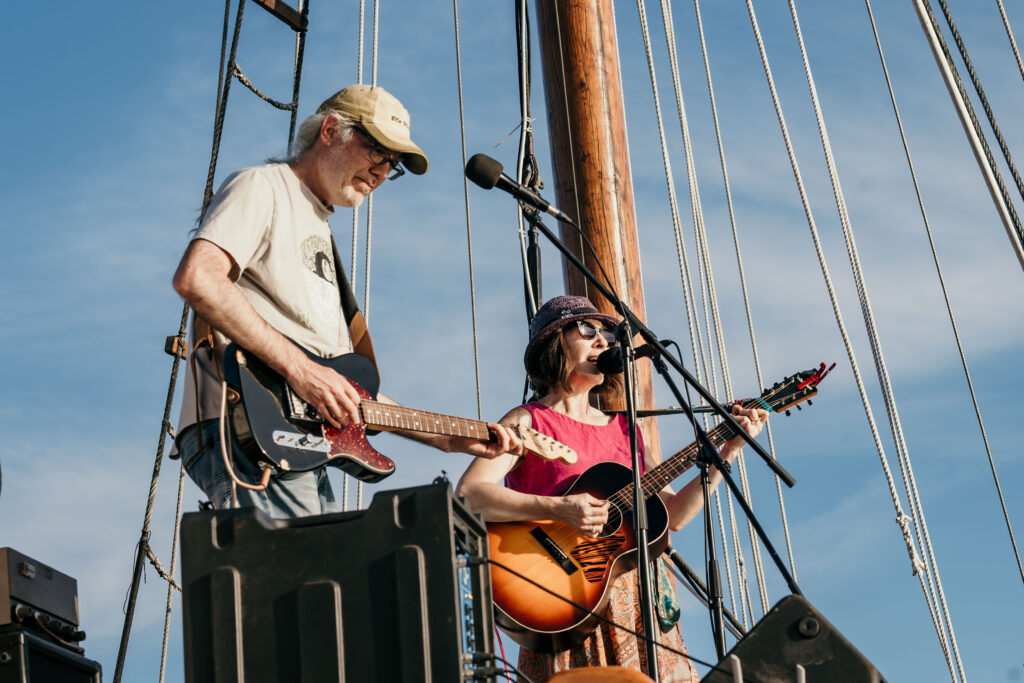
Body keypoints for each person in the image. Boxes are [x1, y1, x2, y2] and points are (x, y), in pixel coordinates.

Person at [172, 84, 518, 518]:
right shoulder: (263, 186)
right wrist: (303, 372)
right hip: (248, 431)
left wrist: (447, 438)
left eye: (392, 165)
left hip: (295, 439)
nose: (381, 172)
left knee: (325, 579)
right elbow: (199, 278)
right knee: (298, 581)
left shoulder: (318, 227)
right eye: (377, 152)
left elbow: (345, 390)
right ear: (331, 131)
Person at [456, 295, 768, 682]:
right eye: (588, 330)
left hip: (633, 600)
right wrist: (559, 509)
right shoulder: (529, 420)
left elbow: (674, 516)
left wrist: (729, 450)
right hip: (560, 595)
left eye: (605, 333)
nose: (603, 341)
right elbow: (469, 494)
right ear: (554, 345)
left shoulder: (626, 428)